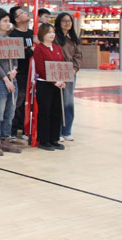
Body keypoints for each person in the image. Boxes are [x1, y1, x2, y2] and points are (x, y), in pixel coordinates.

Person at [0, 9, 22, 156]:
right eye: (5, 21)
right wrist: (6, 79)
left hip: (13, 80)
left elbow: (15, 57)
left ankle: (6, 140)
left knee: (10, 112)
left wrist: (14, 70)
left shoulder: (10, 40)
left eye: (9, 21)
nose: (8, 24)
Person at [33, 23, 66, 151]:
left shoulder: (57, 48)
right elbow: (41, 68)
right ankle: (44, 140)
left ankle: (54, 139)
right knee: (45, 112)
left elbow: (62, 65)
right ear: (42, 34)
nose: (52, 34)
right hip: (44, 84)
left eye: (53, 32)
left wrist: (63, 80)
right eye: (48, 32)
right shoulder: (39, 49)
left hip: (58, 84)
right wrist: (53, 81)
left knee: (56, 112)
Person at [54, 13, 82, 141]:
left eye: (69, 21)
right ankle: (57, 131)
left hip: (70, 74)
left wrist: (74, 69)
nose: (67, 23)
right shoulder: (54, 38)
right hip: (56, 73)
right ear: (59, 23)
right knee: (57, 101)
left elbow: (78, 56)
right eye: (64, 21)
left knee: (68, 102)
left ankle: (67, 130)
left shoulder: (74, 40)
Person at [9, 6, 34, 140]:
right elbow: (17, 54)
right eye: (22, 13)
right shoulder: (13, 35)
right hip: (19, 73)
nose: (26, 13)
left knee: (27, 102)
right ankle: (12, 130)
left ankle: (24, 129)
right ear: (17, 19)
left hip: (32, 73)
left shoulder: (32, 33)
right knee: (17, 101)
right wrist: (30, 51)